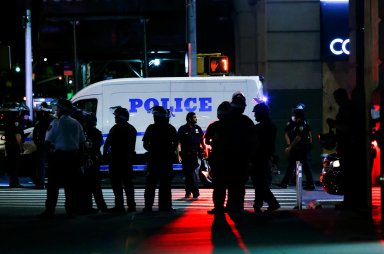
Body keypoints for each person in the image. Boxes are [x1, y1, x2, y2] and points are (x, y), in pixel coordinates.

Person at [39, 99, 85, 219]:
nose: (56, 110)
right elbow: (82, 143)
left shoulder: (55, 123)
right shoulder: (76, 124)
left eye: (58, 108)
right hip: (73, 158)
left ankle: (50, 210)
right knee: (71, 186)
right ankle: (70, 210)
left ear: (61, 109)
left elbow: (47, 141)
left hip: (58, 158)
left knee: (53, 186)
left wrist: (49, 155)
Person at [142, 106, 178, 212]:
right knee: (165, 185)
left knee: (150, 184)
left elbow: (145, 144)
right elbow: (175, 143)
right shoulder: (170, 128)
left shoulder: (151, 128)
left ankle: (148, 207)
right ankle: (165, 207)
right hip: (166, 160)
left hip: (153, 160)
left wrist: (152, 150)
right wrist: (169, 151)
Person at [103, 106, 137, 213]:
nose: (115, 118)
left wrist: (105, 155)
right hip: (127, 160)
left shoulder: (115, 128)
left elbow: (107, 144)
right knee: (128, 184)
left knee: (117, 184)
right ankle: (131, 206)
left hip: (116, 160)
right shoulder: (131, 129)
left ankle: (119, 206)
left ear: (120, 117)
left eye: (116, 116)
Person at [250, 103, 280, 213]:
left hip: (259, 158)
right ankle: (258, 204)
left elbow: (256, 144)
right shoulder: (271, 126)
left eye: (256, 113)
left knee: (260, 183)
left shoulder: (260, 127)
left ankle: (272, 203)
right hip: (266, 157)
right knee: (260, 182)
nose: (255, 116)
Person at [326, 88, 354, 208]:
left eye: (337, 98)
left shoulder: (347, 109)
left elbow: (348, 128)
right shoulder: (345, 108)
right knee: (346, 173)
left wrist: (334, 124)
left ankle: (349, 201)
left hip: (347, 146)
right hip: (344, 144)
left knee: (347, 174)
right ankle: (348, 200)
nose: (336, 101)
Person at [278, 103, 315, 190]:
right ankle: (310, 183)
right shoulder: (300, 122)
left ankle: (310, 184)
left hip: (301, 148)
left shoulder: (301, 123)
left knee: (300, 165)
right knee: (297, 165)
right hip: (300, 148)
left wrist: (290, 147)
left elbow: (298, 137)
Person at [205, 101, 232, 214]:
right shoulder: (234, 125)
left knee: (218, 186)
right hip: (231, 159)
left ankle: (218, 206)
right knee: (232, 184)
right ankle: (232, 206)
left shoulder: (213, 126)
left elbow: (207, 140)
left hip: (217, 159)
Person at [81, 112, 108, 213]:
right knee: (96, 186)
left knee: (87, 186)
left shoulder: (85, 132)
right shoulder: (97, 132)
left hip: (88, 160)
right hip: (95, 160)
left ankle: (88, 207)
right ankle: (101, 206)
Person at [177, 112, 205, 199]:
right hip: (186, 155)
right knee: (188, 174)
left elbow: (202, 141)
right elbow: (178, 143)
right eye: (194, 117)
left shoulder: (198, 128)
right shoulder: (182, 129)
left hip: (196, 155)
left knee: (193, 173)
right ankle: (189, 191)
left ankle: (194, 192)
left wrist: (204, 151)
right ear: (189, 119)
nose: (196, 119)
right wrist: (178, 155)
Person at [32, 102, 55, 189]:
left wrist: (37, 143)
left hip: (42, 144)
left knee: (41, 165)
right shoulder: (53, 120)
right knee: (52, 164)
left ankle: (41, 183)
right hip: (51, 145)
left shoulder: (40, 120)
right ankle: (52, 183)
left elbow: (35, 133)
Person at [4, 111, 24, 188]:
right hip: (14, 146)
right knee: (15, 164)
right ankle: (15, 182)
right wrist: (21, 146)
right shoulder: (16, 122)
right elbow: (17, 135)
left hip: (8, 145)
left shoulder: (8, 120)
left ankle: (12, 182)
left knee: (11, 164)